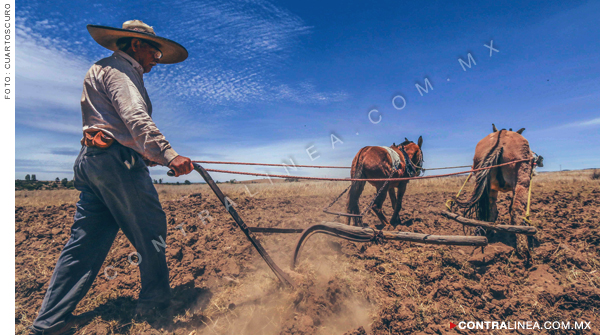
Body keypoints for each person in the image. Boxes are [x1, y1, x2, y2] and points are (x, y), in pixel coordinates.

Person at [29, 20, 194, 335]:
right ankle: (156, 309)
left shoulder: (102, 69)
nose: (156, 60)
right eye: (154, 53)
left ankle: (47, 323)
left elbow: (113, 124)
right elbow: (134, 117)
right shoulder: (120, 72)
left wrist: (148, 154)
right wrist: (169, 155)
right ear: (136, 45)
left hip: (93, 162)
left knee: (85, 244)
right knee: (151, 230)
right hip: (117, 165)